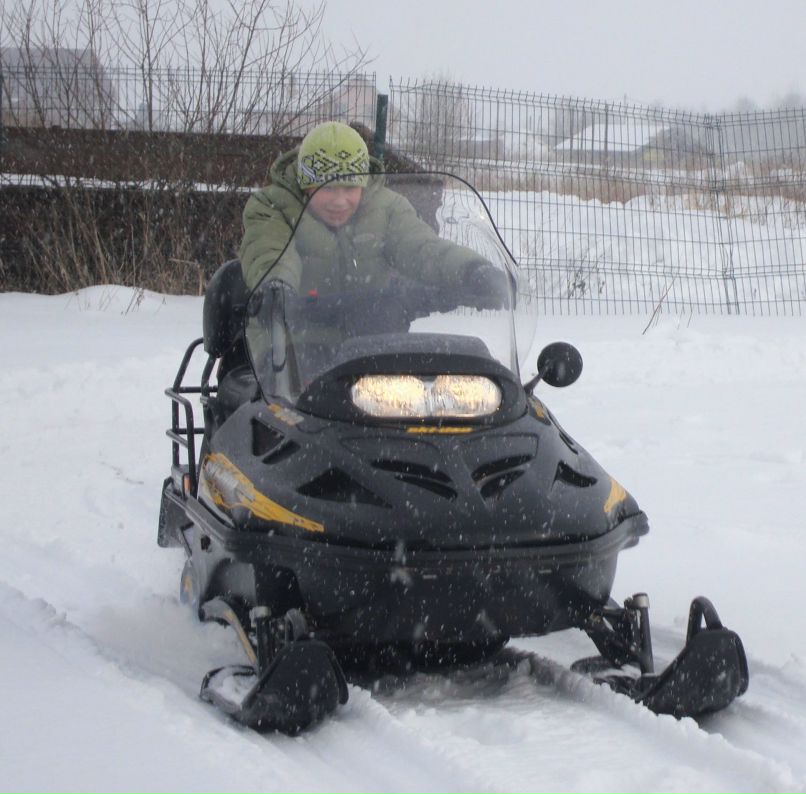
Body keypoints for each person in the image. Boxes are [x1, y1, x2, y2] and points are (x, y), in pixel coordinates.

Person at [238, 121, 509, 308]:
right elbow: (270, 252)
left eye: (350, 188)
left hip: (373, 347)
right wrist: (276, 288)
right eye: (327, 188)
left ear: (364, 184)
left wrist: (471, 270)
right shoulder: (272, 207)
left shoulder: (387, 208)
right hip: (289, 347)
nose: (339, 201)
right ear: (305, 184)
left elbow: (423, 248)